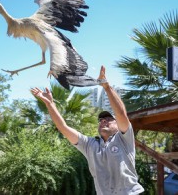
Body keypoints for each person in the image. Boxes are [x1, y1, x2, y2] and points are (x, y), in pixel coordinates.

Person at [31, 66, 144, 195]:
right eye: (101, 119)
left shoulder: (124, 139)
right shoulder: (89, 145)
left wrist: (106, 87)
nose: (103, 121)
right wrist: (50, 104)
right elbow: (63, 127)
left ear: (118, 125)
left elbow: (121, 114)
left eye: (108, 118)